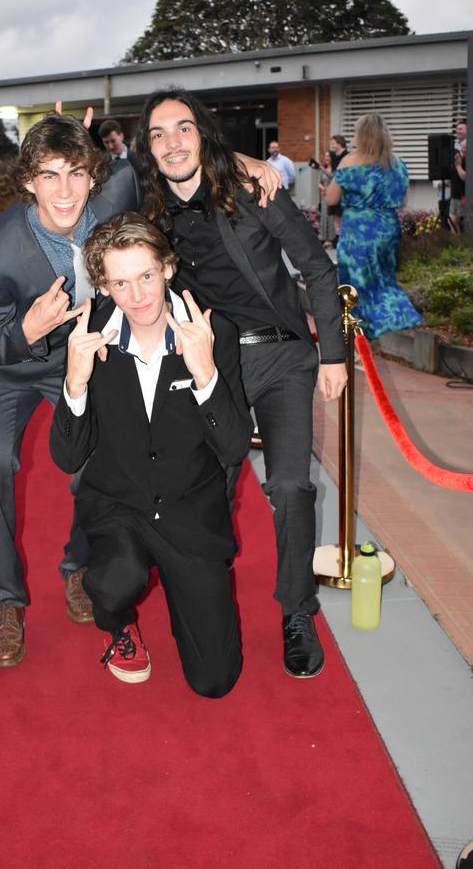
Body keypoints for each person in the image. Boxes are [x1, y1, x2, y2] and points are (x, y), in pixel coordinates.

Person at [125, 88, 347, 679]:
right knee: (207, 492)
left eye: (184, 128)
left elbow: (317, 267)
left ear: (204, 134)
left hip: (279, 361)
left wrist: (333, 355)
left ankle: (297, 611)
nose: (172, 142)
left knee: (293, 489)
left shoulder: (254, 191)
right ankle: (208, 596)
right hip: (208, 367)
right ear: (147, 150)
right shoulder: (148, 214)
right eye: (158, 134)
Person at [0, 111, 143, 668]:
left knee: (95, 463)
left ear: (94, 175)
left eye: (75, 173)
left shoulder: (115, 203)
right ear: (28, 181)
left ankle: (79, 567)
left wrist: (252, 161)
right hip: (15, 368)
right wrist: (27, 330)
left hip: (83, 361)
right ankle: (6, 600)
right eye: (49, 176)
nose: (64, 192)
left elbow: (175, 161)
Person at [49, 212, 252, 695]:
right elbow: (67, 457)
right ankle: (119, 623)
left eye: (145, 276)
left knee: (215, 681)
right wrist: (74, 381)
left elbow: (234, 445)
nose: (138, 296)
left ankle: (189, 602)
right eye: (120, 282)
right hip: (119, 503)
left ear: (166, 267)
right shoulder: (89, 336)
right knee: (115, 579)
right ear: (102, 284)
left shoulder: (208, 331)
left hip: (189, 511)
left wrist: (205, 374)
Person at [326, 112, 423, 339]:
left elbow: (331, 199)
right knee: (384, 280)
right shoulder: (396, 163)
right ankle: (395, 317)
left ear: (361, 135)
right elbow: (403, 201)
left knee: (356, 284)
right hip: (387, 228)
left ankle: (360, 337)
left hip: (358, 229)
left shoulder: (350, 160)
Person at [317, 150, 336, 248]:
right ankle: (325, 239)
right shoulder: (322, 170)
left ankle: (332, 240)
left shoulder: (335, 168)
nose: (327, 158)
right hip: (324, 196)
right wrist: (322, 188)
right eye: (325, 156)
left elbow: (334, 178)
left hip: (333, 195)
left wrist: (323, 169)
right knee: (324, 216)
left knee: (331, 217)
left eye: (328, 156)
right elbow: (319, 182)